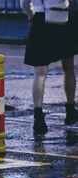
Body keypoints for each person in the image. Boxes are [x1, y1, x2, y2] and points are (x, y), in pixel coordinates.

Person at [22, 0, 78, 135]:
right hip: (63, 19)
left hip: (40, 19)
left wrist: (30, 15)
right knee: (69, 67)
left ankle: (38, 117)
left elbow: (24, 3)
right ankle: (70, 111)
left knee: (40, 73)